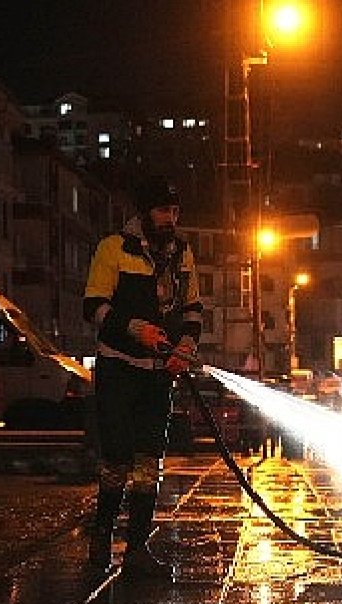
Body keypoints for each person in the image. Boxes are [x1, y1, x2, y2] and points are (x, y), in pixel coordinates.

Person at [82, 175, 202, 578]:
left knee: (149, 462)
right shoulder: (114, 248)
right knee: (115, 459)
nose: (171, 219)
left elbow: (193, 310)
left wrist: (185, 346)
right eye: (163, 211)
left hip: (157, 375)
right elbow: (94, 307)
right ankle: (101, 540)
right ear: (145, 213)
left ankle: (136, 549)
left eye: (175, 211)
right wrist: (135, 329)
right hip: (118, 367)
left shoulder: (181, 254)